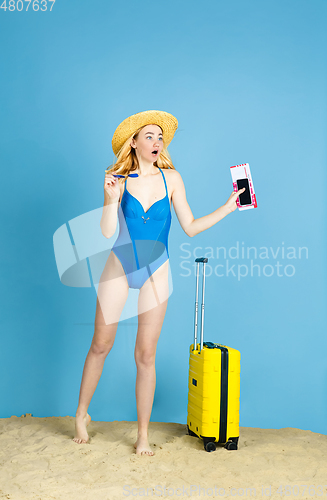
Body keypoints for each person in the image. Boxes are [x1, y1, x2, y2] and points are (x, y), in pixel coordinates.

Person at [73, 110, 245, 455]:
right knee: (101, 344)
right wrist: (109, 200)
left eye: (160, 137)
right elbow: (108, 232)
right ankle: (80, 415)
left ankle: (142, 436)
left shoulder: (172, 179)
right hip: (119, 265)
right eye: (148, 136)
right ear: (133, 142)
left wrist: (228, 207)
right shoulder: (117, 179)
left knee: (146, 354)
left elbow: (191, 226)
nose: (156, 142)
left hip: (157, 269)